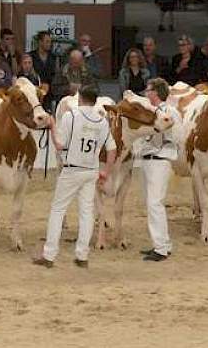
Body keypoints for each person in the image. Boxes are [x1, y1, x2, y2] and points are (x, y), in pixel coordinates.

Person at [33, 85, 116, 269]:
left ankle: (49, 255)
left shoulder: (71, 116)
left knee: (58, 209)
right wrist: (106, 171)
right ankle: (82, 255)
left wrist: (53, 126)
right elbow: (112, 148)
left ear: (80, 99)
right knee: (86, 212)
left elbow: (60, 144)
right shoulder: (102, 121)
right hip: (91, 170)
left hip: (72, 169)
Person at [134, 78, 181, 262]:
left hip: (160, 159)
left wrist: (163, 130)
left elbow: (177, 135)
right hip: (147, 159)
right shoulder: (151, 112)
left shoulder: (171, 112)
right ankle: (161, 244)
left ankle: (160, 248)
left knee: (155, 203)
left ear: (156, 92)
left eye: (149, 90)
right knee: (151, 203)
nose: (146, 92)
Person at [30, 31, 58, 101]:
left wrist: (49, 85)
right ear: (40, 42)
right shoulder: (31, 56)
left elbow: (56, 76)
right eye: (47, 42)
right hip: (34, 92)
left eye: (50, 42)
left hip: (51, 94)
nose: (50, 44)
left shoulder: (54, 58)